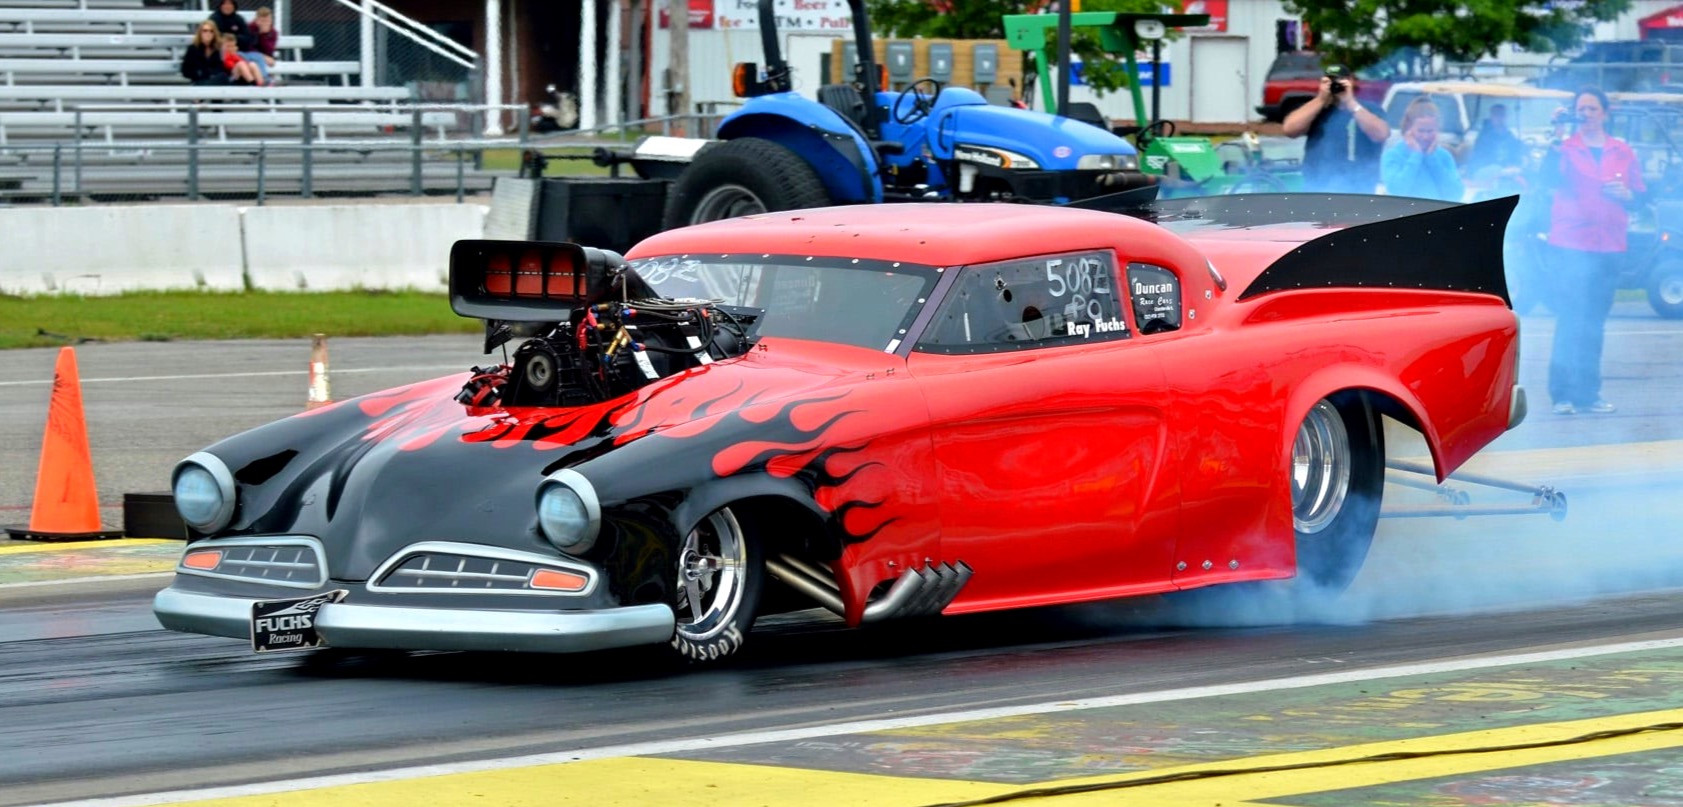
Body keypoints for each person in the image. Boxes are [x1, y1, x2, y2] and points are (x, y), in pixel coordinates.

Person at [1540, 86, 1644, 415]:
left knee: (1594, 322)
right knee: (1570, 318)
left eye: (1591, 109)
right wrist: (1557, 133)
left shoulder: (1622, 151)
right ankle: (1562, 394)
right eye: (1580, 109)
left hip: (1610, 245)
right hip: (1571, 244)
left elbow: (1641, 195)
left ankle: (1589, 393)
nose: (1585, 114)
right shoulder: (1565, 148)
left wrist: (1627, 195)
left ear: (1604, 113)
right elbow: (1545, 179)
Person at [1281, 63, 1391, 193]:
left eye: (1339, 80)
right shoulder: (1316, 109)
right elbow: (1289, 129)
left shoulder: (1369, 109)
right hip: (1317, 186)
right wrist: (1321, 99)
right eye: (1329, 81)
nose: (1335, 85)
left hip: (1359, 188)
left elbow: (1382, 134)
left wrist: (1350, 102)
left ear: (1350, 81)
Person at [1381, 96, 1464, 201]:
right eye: (1421, 131)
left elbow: (1456, 194)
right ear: (1408, 128)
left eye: (1430, 131)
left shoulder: (1444, 156)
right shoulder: (1393, 155)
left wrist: (1432, 159)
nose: (1425, 136)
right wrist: (1416, 155)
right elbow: (1397, 191)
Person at [1466, 102, 1525, 176]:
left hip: (1506, 172)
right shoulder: (1484, 137)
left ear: (1506, 117)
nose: (1499, 118)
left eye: (1502, 115)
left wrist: (1514, 164)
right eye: (1496, 115)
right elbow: (1479, 158)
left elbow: (1515, 156)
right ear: (1491, 117)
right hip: (1485, 172)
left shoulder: (1510, 137)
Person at [179, 20, 231, 85]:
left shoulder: (217, 49)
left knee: (223, 77)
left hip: (214, 80)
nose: (208, 33)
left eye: (211, 31)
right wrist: (199, 73)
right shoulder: (193, 49)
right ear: (200, 33)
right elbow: (185, 71)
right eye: (205, 31)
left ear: (214, 34)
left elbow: (220, 68)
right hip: (199, 81)